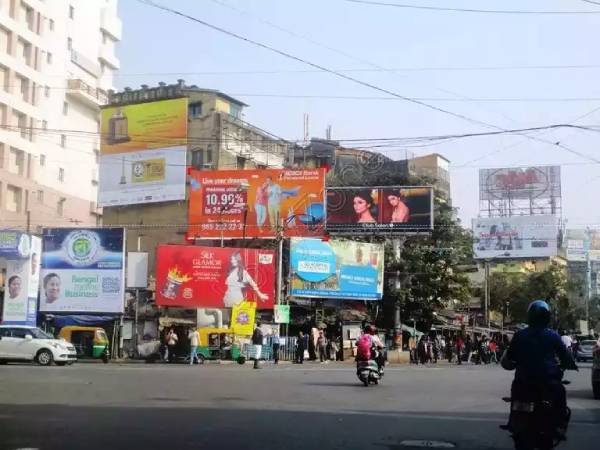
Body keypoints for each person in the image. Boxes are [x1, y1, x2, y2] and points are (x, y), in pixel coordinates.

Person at [501, 300, 577, 435]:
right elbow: (566, 357)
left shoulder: (519, 335)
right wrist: (570, 364)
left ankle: (513, 421)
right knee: (560, 392)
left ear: (529, 316)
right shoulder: (553, 335)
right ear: (547, 317)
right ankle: (559, 424)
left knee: (517, 395)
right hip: (548, 381)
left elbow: (509, 357)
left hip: (523, 381)